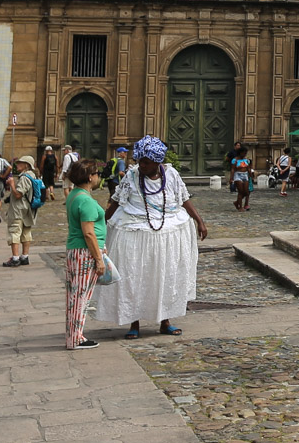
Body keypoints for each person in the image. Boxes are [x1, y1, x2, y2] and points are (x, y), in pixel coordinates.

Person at [96, 135, 209, 338]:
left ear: (157, 162)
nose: (142, 165)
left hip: (168, 234)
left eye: (146, 162)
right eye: (140, 161)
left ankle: (165, 321)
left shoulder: (171, 175)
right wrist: (100, 226)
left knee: (165, 277)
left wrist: (199, 221)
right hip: (135, 233)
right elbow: (116, 202)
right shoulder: (131, 176)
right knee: (135, 277)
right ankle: (134, 322)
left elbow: (183, 199)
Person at [63, 160, 107, 350]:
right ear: (90, 177)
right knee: (81, 296)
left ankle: (74, 335)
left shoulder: (74, 195)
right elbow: (88, 232)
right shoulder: (86, 200)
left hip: (75, 250)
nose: (98, 177)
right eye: (96, 173)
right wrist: (98, 259)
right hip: (84, 252)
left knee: (75, 295)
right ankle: (75, 338)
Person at [3, 154, 42, 268]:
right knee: (26, 231)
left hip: (19, 208)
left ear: (26, 165)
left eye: (20, 163)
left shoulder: (25, 177)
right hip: (28, 208)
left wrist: (11, 184)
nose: (17, 165)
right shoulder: (33, 176)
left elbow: (18, 194)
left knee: (14, 230)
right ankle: (24, 256)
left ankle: (15, 258)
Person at [230, 144, 253, 213]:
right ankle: (240, 206)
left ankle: (237, 202)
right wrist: (231, 178)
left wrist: (250, 176)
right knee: (240, 191)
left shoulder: (246, 160)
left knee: (246, 192)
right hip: (238, 175)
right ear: (240, 153)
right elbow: (233, 169)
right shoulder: (235, 160)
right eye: (244, 153)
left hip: (245, 175)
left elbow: (248, 168)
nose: (245, 154)